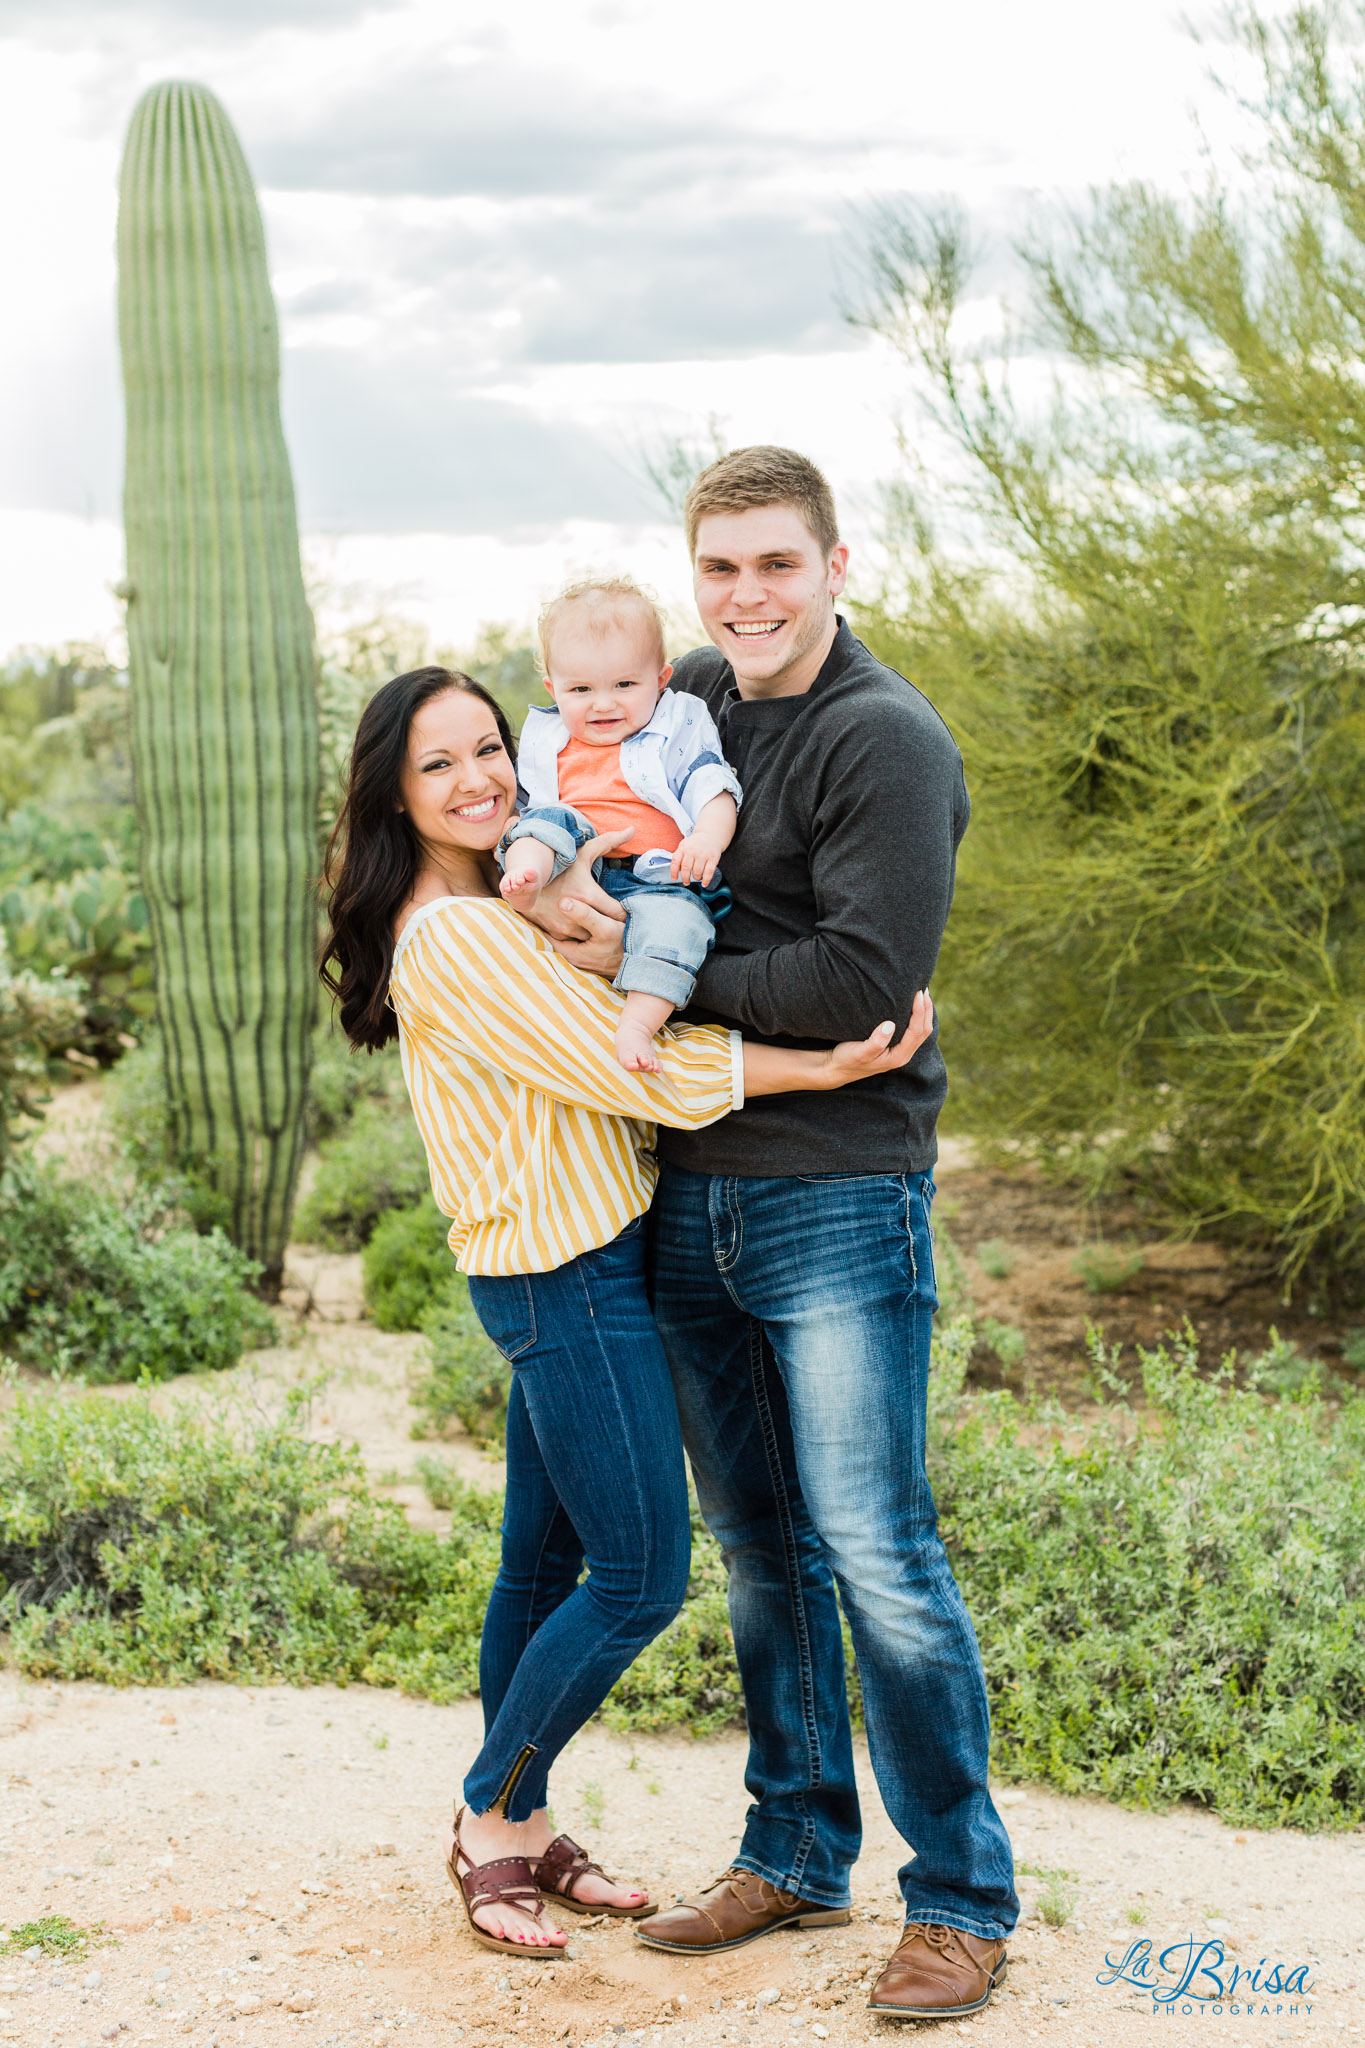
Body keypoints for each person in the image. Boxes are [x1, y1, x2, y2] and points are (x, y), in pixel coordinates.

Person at [317, 662, 936, 1963]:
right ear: (392, 794)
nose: (480, 778)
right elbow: (631, 1066)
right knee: (643, 1574)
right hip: (567, 1276)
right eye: (438, 766)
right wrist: (821, 1063)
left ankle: (524, 1817)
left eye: (490, 747)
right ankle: (488, 1815)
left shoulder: (498, 902)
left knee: (538, 1567)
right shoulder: (461, 935)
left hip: (566, 1259)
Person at [547, 447, 1019, 2023]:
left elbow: (859, 989)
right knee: (761, 1552)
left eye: (776, 566)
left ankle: (957, 1898)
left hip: (835, 1187)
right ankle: (796, 1846)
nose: (747, 598)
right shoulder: (684, 699)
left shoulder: (882, 740)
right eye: (721, 570)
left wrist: (650, 963)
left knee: (878, 1552)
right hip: (686, 1187)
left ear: (834, 565)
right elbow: (579, 789)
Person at [499, 576, 741, 1073]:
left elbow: (712, 786)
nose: (603, 703)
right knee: (544, 820)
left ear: (660, 678)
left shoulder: (677, 723)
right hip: (569, 854)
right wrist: (525, 847)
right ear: (553, 689)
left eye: (624, 685)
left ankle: (638, 1024)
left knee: (684, 928)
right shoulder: (546, 737)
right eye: (581, 689)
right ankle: (524, 880)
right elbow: (523, 808)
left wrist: (704, 838)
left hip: (657, 878)